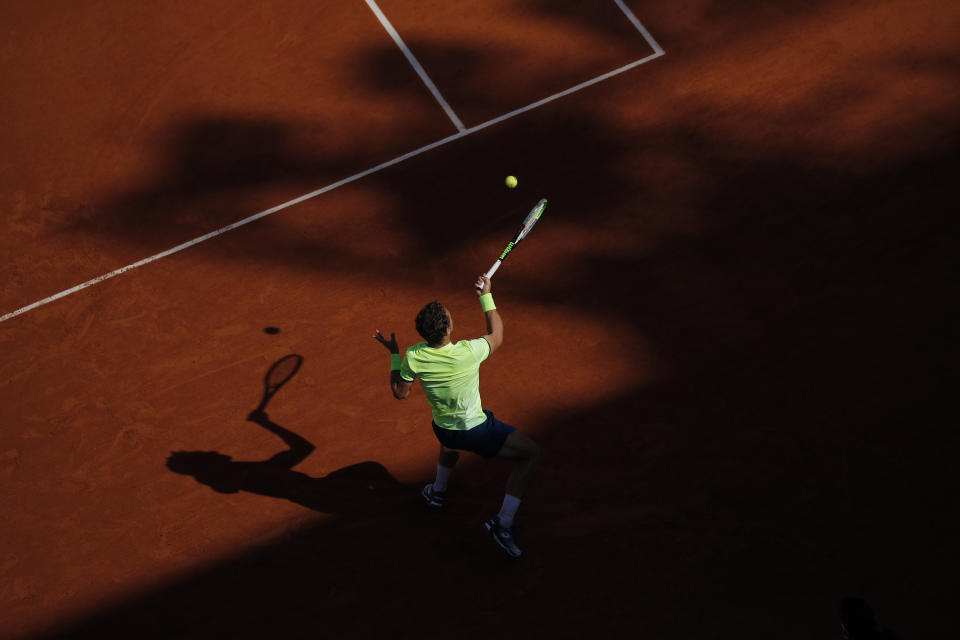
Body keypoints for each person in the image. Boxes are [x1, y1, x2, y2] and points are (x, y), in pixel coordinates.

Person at [373, 275, 540, 558]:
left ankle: (437, 491)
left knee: (449, 440)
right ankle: (503, 524)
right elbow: (497, 334)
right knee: (531, 454)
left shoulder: (413, 356)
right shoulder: (468, 351)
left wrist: (394, 354)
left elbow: (400, 393)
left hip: (443, 429)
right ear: (449, 328)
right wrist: (486, 296)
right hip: (475, 431)